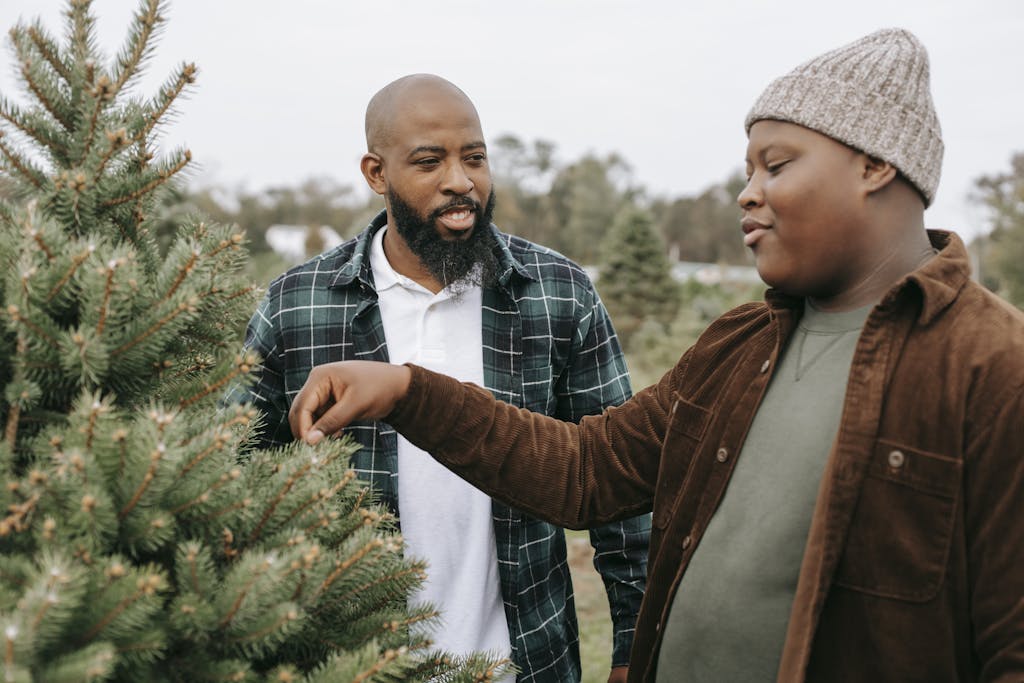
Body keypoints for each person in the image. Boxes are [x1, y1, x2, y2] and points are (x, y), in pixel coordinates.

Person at [286, 29, 1024, 682]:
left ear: (874, 167)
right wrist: (408, 392)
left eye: (775, 165)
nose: (747, 194)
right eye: (748, 170)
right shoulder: (739, 346)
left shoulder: (992, 367)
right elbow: (585, 469)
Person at [239, 74, 649, 683]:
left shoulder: (558, 294)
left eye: (475, 158)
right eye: (430, 162)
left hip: (525, 664)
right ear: (376, 174)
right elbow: (234, 482)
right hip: (354, 667)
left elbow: (625, 485)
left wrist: (631, 649)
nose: (461, 181)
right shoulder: (298, 305)